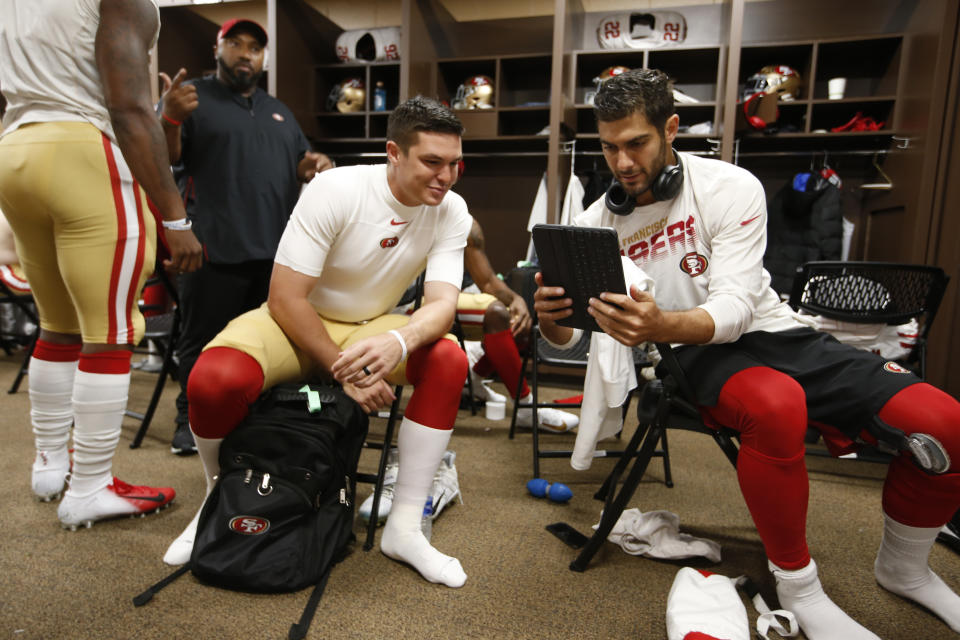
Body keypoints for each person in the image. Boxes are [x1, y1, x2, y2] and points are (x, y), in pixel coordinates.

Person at [534, 69, 960, 639]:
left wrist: (658, 318)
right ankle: (800, 588)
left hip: (772, 330)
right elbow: (571, 340)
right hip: (692, 354)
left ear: (671, 129)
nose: (622, 162)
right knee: (775, 404)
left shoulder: (730, 185)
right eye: (609, 147)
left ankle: (905, 570)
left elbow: (735, 308)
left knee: (946, 423)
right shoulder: (595, 223)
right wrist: (551, 321)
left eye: (636, 143)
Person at [162, 96, 472, 589]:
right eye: (432, 162)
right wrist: (343, 369)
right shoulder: (337, 188)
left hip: (370, 325)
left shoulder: (451, 209)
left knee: (449, 360)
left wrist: (399, 337)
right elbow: (285, 298)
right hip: (296, 322)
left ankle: (405, 527)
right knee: (213, 379)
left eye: (455, 163)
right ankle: (218, 500)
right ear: (394, 152)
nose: (446, 176)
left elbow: (441, 306)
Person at [0, 0, 203, 529]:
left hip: (16, 146)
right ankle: (89, 486)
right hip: (85, 151)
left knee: (57, 326)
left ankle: (50, 467)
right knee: (110, 331)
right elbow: (131, 107)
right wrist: (176, 219)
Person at [158, 17, 333, 455]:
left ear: (262, 58)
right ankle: (189, 421)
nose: (245, 53)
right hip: (213, 248)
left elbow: (298, 162)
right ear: (218, 48)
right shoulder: (193, 99)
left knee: (270, 344)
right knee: (201, 342)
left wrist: (311, 165)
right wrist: (169, 119)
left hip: (275, 255)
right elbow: (166, 159)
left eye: (254, 47)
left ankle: (257, 418)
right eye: (234, 43)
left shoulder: (278, 110)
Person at [459, 217, 579, 432]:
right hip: (409, 302)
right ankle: (525, 407)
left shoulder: (460, 216)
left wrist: (517, 300)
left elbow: (486, 280)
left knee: (520, 323)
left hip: (444, 296)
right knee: (495, 314)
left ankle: (473, 382)